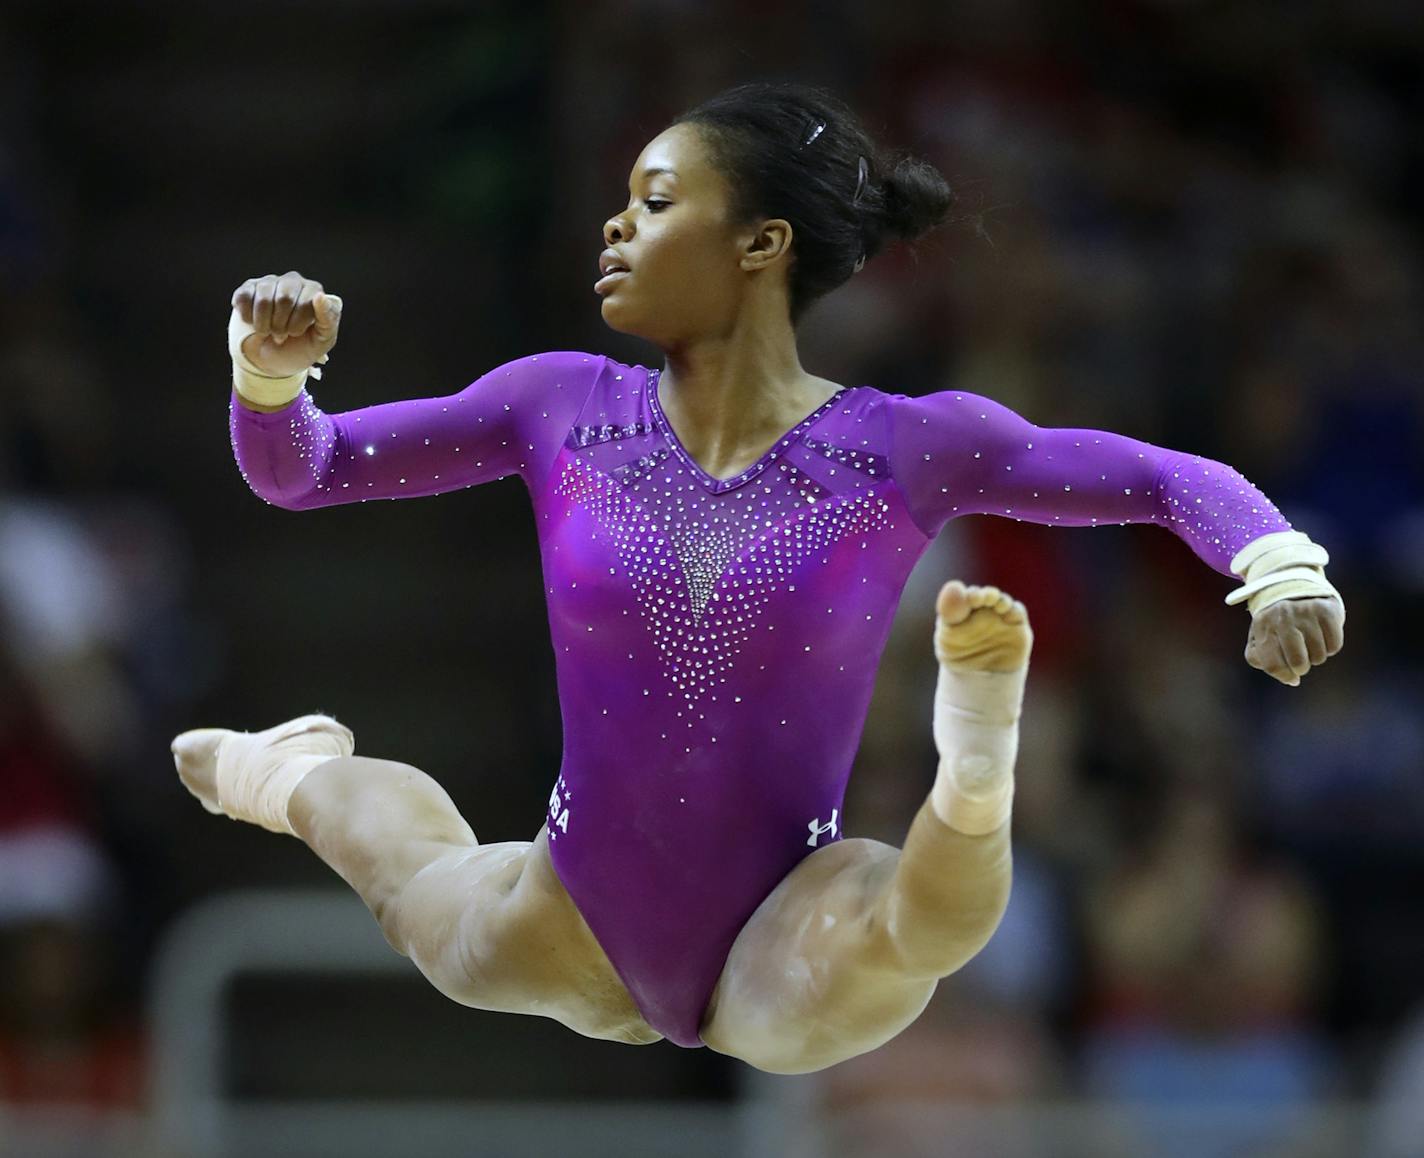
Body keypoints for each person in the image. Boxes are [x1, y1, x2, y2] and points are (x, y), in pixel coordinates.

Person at [172, 82, 1345, 1075]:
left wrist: (1274, 563)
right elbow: (305, 474)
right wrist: (267, 382)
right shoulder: (553, 407)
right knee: (405, 876)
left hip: (791, 914)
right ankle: (284, 770)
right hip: (572, 907)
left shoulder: (900, 446)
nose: (614, 229)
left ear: (761, 244)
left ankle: (976, 757)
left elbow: (1154, 475)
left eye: (654, 201)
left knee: (903, 928)